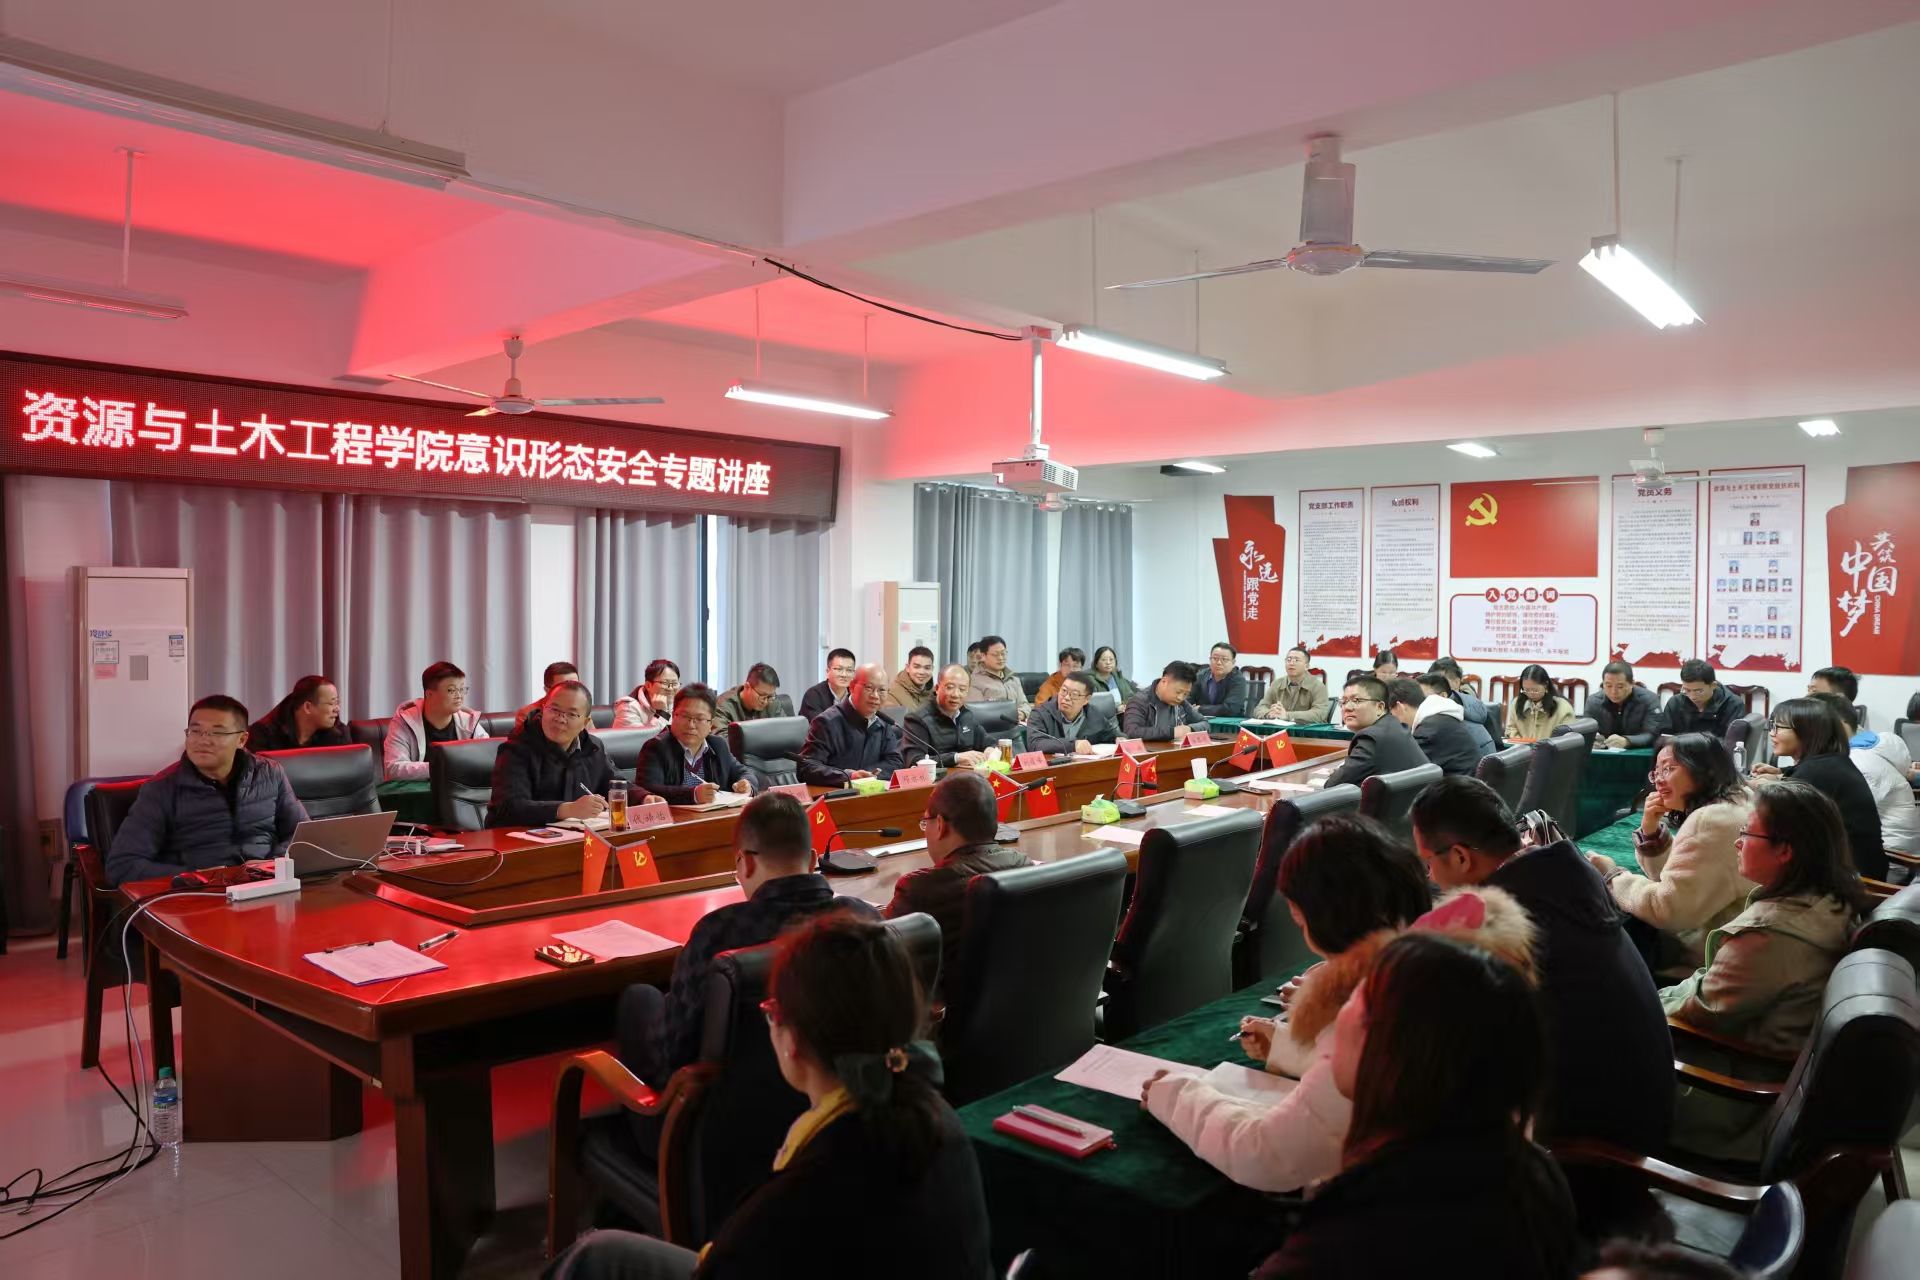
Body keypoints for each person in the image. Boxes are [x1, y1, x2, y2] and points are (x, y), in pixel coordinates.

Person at [555, 914, 993, 1280]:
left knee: (592, 1259)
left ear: (793, 1041)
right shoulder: (941, 1121)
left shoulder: (801, 1196)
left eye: (771, 1012)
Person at [1254, 932, 1578, 1279]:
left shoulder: (1362, 1235)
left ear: (1397, 1057)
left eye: (1358, 998)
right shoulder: (1533, 1176)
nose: (1337, 1012)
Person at [1141, 816, 1435, 1193]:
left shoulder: (1371, 1012)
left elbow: (1263, 1155)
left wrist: (1177, 1096)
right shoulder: (1432, 967)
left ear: (1313, 916)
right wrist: (1288, 1049)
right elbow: (1371, 1084)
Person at [1413, 778, 1673, 1154]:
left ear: (1460, 857)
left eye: (1428, 863)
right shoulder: (1561, 876)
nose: (1430, 877)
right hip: (1640, 1121)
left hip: (1590, 1156)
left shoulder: (1508, 923)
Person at [613, 792, 878, 1113]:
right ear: (811, 861)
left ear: (746, 862)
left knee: (639, 998)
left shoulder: (719, 932)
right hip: (843, 1106)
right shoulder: (861, 917)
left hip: (721, 1126)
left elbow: (670, 1056)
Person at [1662, 781, 1869, 1160]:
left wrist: (1643, 1000)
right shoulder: (1827, 899)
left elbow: (1701, 1011)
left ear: (1785, 850)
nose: (1737, 843)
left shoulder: (1770, 935)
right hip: (1764, 1070)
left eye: (1746, 833)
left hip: (1733, 1100)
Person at [1587, 733, 1754, 973]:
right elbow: (1682, 880)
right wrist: (1650, 830)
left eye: (1669, 769)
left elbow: (1667, 910)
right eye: (1656, 772)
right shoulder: (1739, 798)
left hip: (1712, 960)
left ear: (1704, 770)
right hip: (1736, 944)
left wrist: (1613, 875)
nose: (1659, 780)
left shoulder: (1712, 820)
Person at [106, 694, 309, 886]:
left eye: (217, 733)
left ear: (241, 740)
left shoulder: (269, 773)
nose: (203, 740)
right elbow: (122, 866)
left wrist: (273, 864)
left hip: (267, 884)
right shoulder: (161, 789)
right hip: (201, 894)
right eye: (195, 731)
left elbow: (303, 836)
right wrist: (195, 875)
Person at [886, 773, 1029, 992]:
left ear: (940, 825)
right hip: (1025, 1003)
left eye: (926, 822)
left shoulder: (920, 890)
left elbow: (879, 956)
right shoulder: (1025, 868)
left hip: (952, 1012)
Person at [1750, 697, 1886, 881]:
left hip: (1848, 880)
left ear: (1807, 732)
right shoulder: (1829, 762)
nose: (1772, 733)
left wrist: (1761, 789)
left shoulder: (1816, 773)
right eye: (1771, 725)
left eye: (1778, 727)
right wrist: (1781, 775)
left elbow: (1782, 825)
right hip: (1846, 868)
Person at [488, 679, 616, 827]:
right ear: (543, 710)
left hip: (571, 835)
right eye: (554, 710)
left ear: (585, 723)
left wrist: (639, 798)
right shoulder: (516, 749)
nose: (560, 719)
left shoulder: (592, 747)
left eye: (571, 714)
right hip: (517, 837)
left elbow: (616, 785)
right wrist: (569, 809)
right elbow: (509, 808)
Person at [1819, 694, 1919, 857]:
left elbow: (1840, 818)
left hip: (1890, 856)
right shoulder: (1865, 749)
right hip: (1889, 847)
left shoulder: (1856, 761)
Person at [637, 684, 755, 805]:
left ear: (711, 724)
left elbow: (745, 772)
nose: (691, 725)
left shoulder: (718, 745)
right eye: (684, 716)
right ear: (673, 715)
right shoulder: (656, 747)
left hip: (716, 814)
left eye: (699, 719)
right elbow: (648, 790)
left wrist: (747, 784)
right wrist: (693, 795)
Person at [797, 665, 904, 786]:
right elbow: (807, 768)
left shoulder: (883, 722)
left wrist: (867, 775)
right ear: (852, 686)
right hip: (837, 794)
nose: (875, 695)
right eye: (869, 688)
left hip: (872, 792)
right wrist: (849, 776)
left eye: (882, 690)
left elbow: (895, 762)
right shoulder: (826, 722)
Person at [383, 660, 488, 781]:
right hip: (418, 791)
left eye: (462, 689)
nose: (459, 695)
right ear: (429, 694)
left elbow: (489, 757)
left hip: (461, 791)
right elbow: (394, 769)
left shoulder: (469, 721)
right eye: (451, 690)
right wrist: (443, 767)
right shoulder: (404, 721)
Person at [1321, 676, 1429, 791]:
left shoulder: (1370, 738)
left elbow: (1332, 786)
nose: (1347, 707)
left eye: (1356, 700)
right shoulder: (1393, 725)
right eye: (1344, 702)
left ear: (1380, 707)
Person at [1396, 676, 1489, 776]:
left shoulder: (1430, 729)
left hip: (1461, 784)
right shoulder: (1447, 717)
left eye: (1423, 698)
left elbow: (1407, 768)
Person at [903, 665, 990, 768]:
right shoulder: (917, 719)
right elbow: (915, 760)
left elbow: (988, 742)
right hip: (938, 777)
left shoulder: (966, 715)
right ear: (937, 688)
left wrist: (990, 750)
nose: (956, 694)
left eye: (962, 689)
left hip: (967, 775)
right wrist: (955, 758)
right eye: (950, 687)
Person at [246, 674, 349, 751]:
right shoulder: (264, 733)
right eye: (331, 703)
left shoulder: (339, 732)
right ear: (308, 707)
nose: (337, 709)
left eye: (337, 702)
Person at [1025, 671, 1118, 754]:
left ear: (1086, 699)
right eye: (1064, 691)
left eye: (1074, 694)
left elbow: (1111, 734)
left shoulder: (1093, 715)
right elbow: (1035, 744)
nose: (1066, 698)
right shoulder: (1040, 714)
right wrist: (1073, 745)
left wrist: (1119, 738)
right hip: (1053, 766)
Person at [1586, 660, 1664, 749]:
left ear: (1632, 684)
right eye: (1608, 686)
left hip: (1638, 752)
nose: (1613, 692)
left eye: (1620, 686)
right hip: (1604, 751)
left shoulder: (1649, 700)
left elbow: (1653, 734)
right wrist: (1595, 740)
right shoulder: (1593, 702)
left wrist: (1627, 741)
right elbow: (1586, 731)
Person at [1120, 660, 1206, 740]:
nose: (1180, 697)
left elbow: (1204, 722)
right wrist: (1172, 732)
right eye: (1178, 692)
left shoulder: (1182, 703)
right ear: (1164, 681)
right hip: (1149, 750)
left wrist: (1190, 728)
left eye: (1186, 694)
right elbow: (1131, 732)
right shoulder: (1139, 701)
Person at [1662, 659, 1743, 739]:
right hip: (1680, 747)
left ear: (1713, 685)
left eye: (1699, 691)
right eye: (1687, 690)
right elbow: (1665, 736)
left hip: (1716, 748)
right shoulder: (1675, 703)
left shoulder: (1733, 704)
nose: (1692, 697)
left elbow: (1732, 741)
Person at [1251, 646, 1331, 723]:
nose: (1291, 663)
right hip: (1281, 730)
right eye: (1288, 660)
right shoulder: (1277, 684)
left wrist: (1287, 715)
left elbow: (1320, 714)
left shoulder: (1318, 686)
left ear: (1306, 666)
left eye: (1296, 660)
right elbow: (1260, 708)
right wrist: (1269, 714)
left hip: (1306, 731)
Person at [1428, 657, 1497, 741]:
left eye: (1440, 682)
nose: (1435, 688)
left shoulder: (1467, 704)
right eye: (1432, 683)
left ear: (1457, 682)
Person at [965, 634, 1030, 722]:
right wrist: (1009, 715)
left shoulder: (1013, 679)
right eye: (995, 654)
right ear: (983, 656)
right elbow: (977, 713)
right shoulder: (973, 681)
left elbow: (1025, 705)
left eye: (1003, 653)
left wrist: (1022, 713)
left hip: (1017, 726)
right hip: (990, 728)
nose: (1001, 658)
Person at [712, 663, 794, 731]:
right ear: (747, 687)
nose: (765, 701)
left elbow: (786, 730)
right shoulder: (722, 706)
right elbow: (722, 740)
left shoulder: (772, 701)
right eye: (762, 696)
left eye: (770, 696)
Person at [1507, 664, 1575, 741]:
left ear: (1546, 685)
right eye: (1526, 690)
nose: (1530, 694)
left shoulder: (1563, 708)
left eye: (1535, 690)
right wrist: (1522, 742)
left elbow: (1568, 740)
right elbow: (1511, 729)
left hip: (1550, 748)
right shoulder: (1517, 704)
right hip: (1522, 748)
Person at [612, 658, 679, 730]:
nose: (670, 688)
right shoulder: (628, 707)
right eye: (665, 683)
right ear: (648, 685)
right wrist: (662, 713)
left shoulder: (676, 704)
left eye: (675, 683)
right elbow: (640, 736)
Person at [516, 661, 579, 733]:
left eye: (576, 686)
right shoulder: (527, 714)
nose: (571, 692)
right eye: (563, 687)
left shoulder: (583, 709)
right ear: (547, 690)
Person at [1193, 642, 1251, 718]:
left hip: (1230, 723)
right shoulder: (1200, 676)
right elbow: (1187, 701)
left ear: (1233, 663)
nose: (1219, 663)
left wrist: (1200, 709)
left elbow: (1231, 709)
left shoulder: (1238, 680)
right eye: (1215, 658)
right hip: (1201, 721)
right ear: (1210, 659)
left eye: (1224, 659)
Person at [799, 649, 856, 721]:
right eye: (839, 669)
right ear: (828, 672)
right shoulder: (813, 695)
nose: (844, 675)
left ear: (854, 673)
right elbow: (820, 724)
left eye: (849, 670)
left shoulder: (856, 694)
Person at [883, 647, 936, 715]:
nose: (921, 672)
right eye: (916, 667)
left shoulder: (935, 694)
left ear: (932, 669)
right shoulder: (892, 694)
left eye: (927, 668)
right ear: (907, 667)